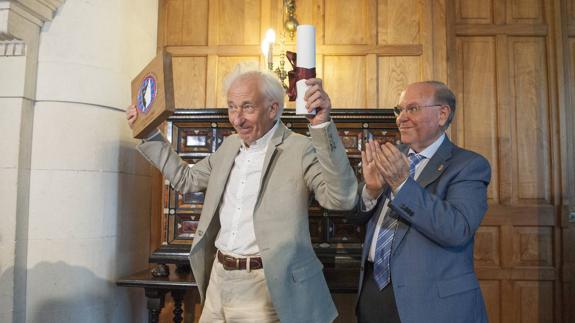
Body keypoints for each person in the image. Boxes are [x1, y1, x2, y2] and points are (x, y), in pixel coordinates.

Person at [126, 67, 358, 323]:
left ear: (272, 108)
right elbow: (186, 179)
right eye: (232, 107)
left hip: (264, 287)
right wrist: (148, 133)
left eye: (247, 107)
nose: (237, 119)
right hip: (218, 280)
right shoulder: (229, 145)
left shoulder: (299, 149)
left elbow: (341, 198)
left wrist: (322, 125)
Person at [353, 81, 491, 323]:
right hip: (374, 295)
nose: (401, 118)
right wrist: (372, 191)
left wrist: (402, 185)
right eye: (399, 110)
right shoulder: (390, 157)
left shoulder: (468, 165)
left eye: (413, 109)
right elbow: (354, 218)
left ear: (442, 114)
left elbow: (457, 229)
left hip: (432, 304)